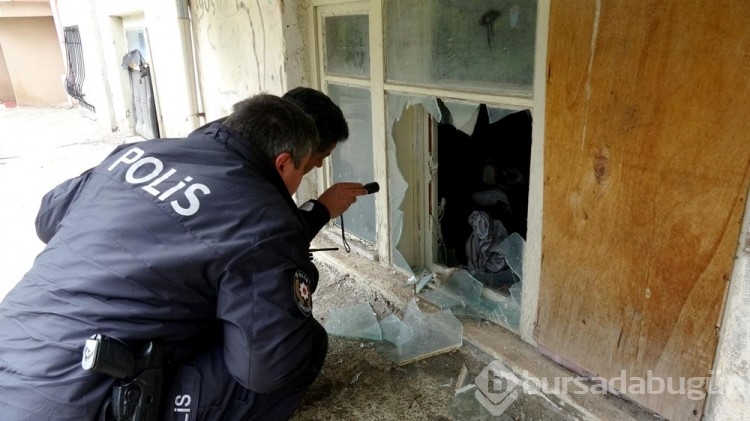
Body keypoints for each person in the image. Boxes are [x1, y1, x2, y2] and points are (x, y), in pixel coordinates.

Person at [0, 93, 335, 420]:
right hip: (78, 399)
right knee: (300, 346)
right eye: (305, 167)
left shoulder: (135, 154)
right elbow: (265, 371)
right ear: (283, 162)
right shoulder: (267, 218)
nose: (302, 178)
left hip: (12, 343)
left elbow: (48, 218)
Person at [193, 87, 367, 240]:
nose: (320, 165)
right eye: (321, 156)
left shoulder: (226, 130)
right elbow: (273, 245)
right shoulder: (247, 190)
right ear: (287, 159)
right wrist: (321, 211)